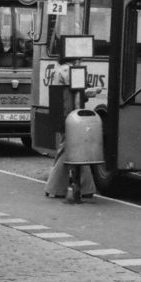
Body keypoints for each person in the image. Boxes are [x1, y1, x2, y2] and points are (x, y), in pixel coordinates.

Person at [43, 57, 98, 198]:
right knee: (68, 149)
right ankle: (55, 187)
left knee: (75, 148)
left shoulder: (59, 69)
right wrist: (92, 91)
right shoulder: (68, 71)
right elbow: (78, 92)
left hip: (62, 114)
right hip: (70, 115)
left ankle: (86, 188)